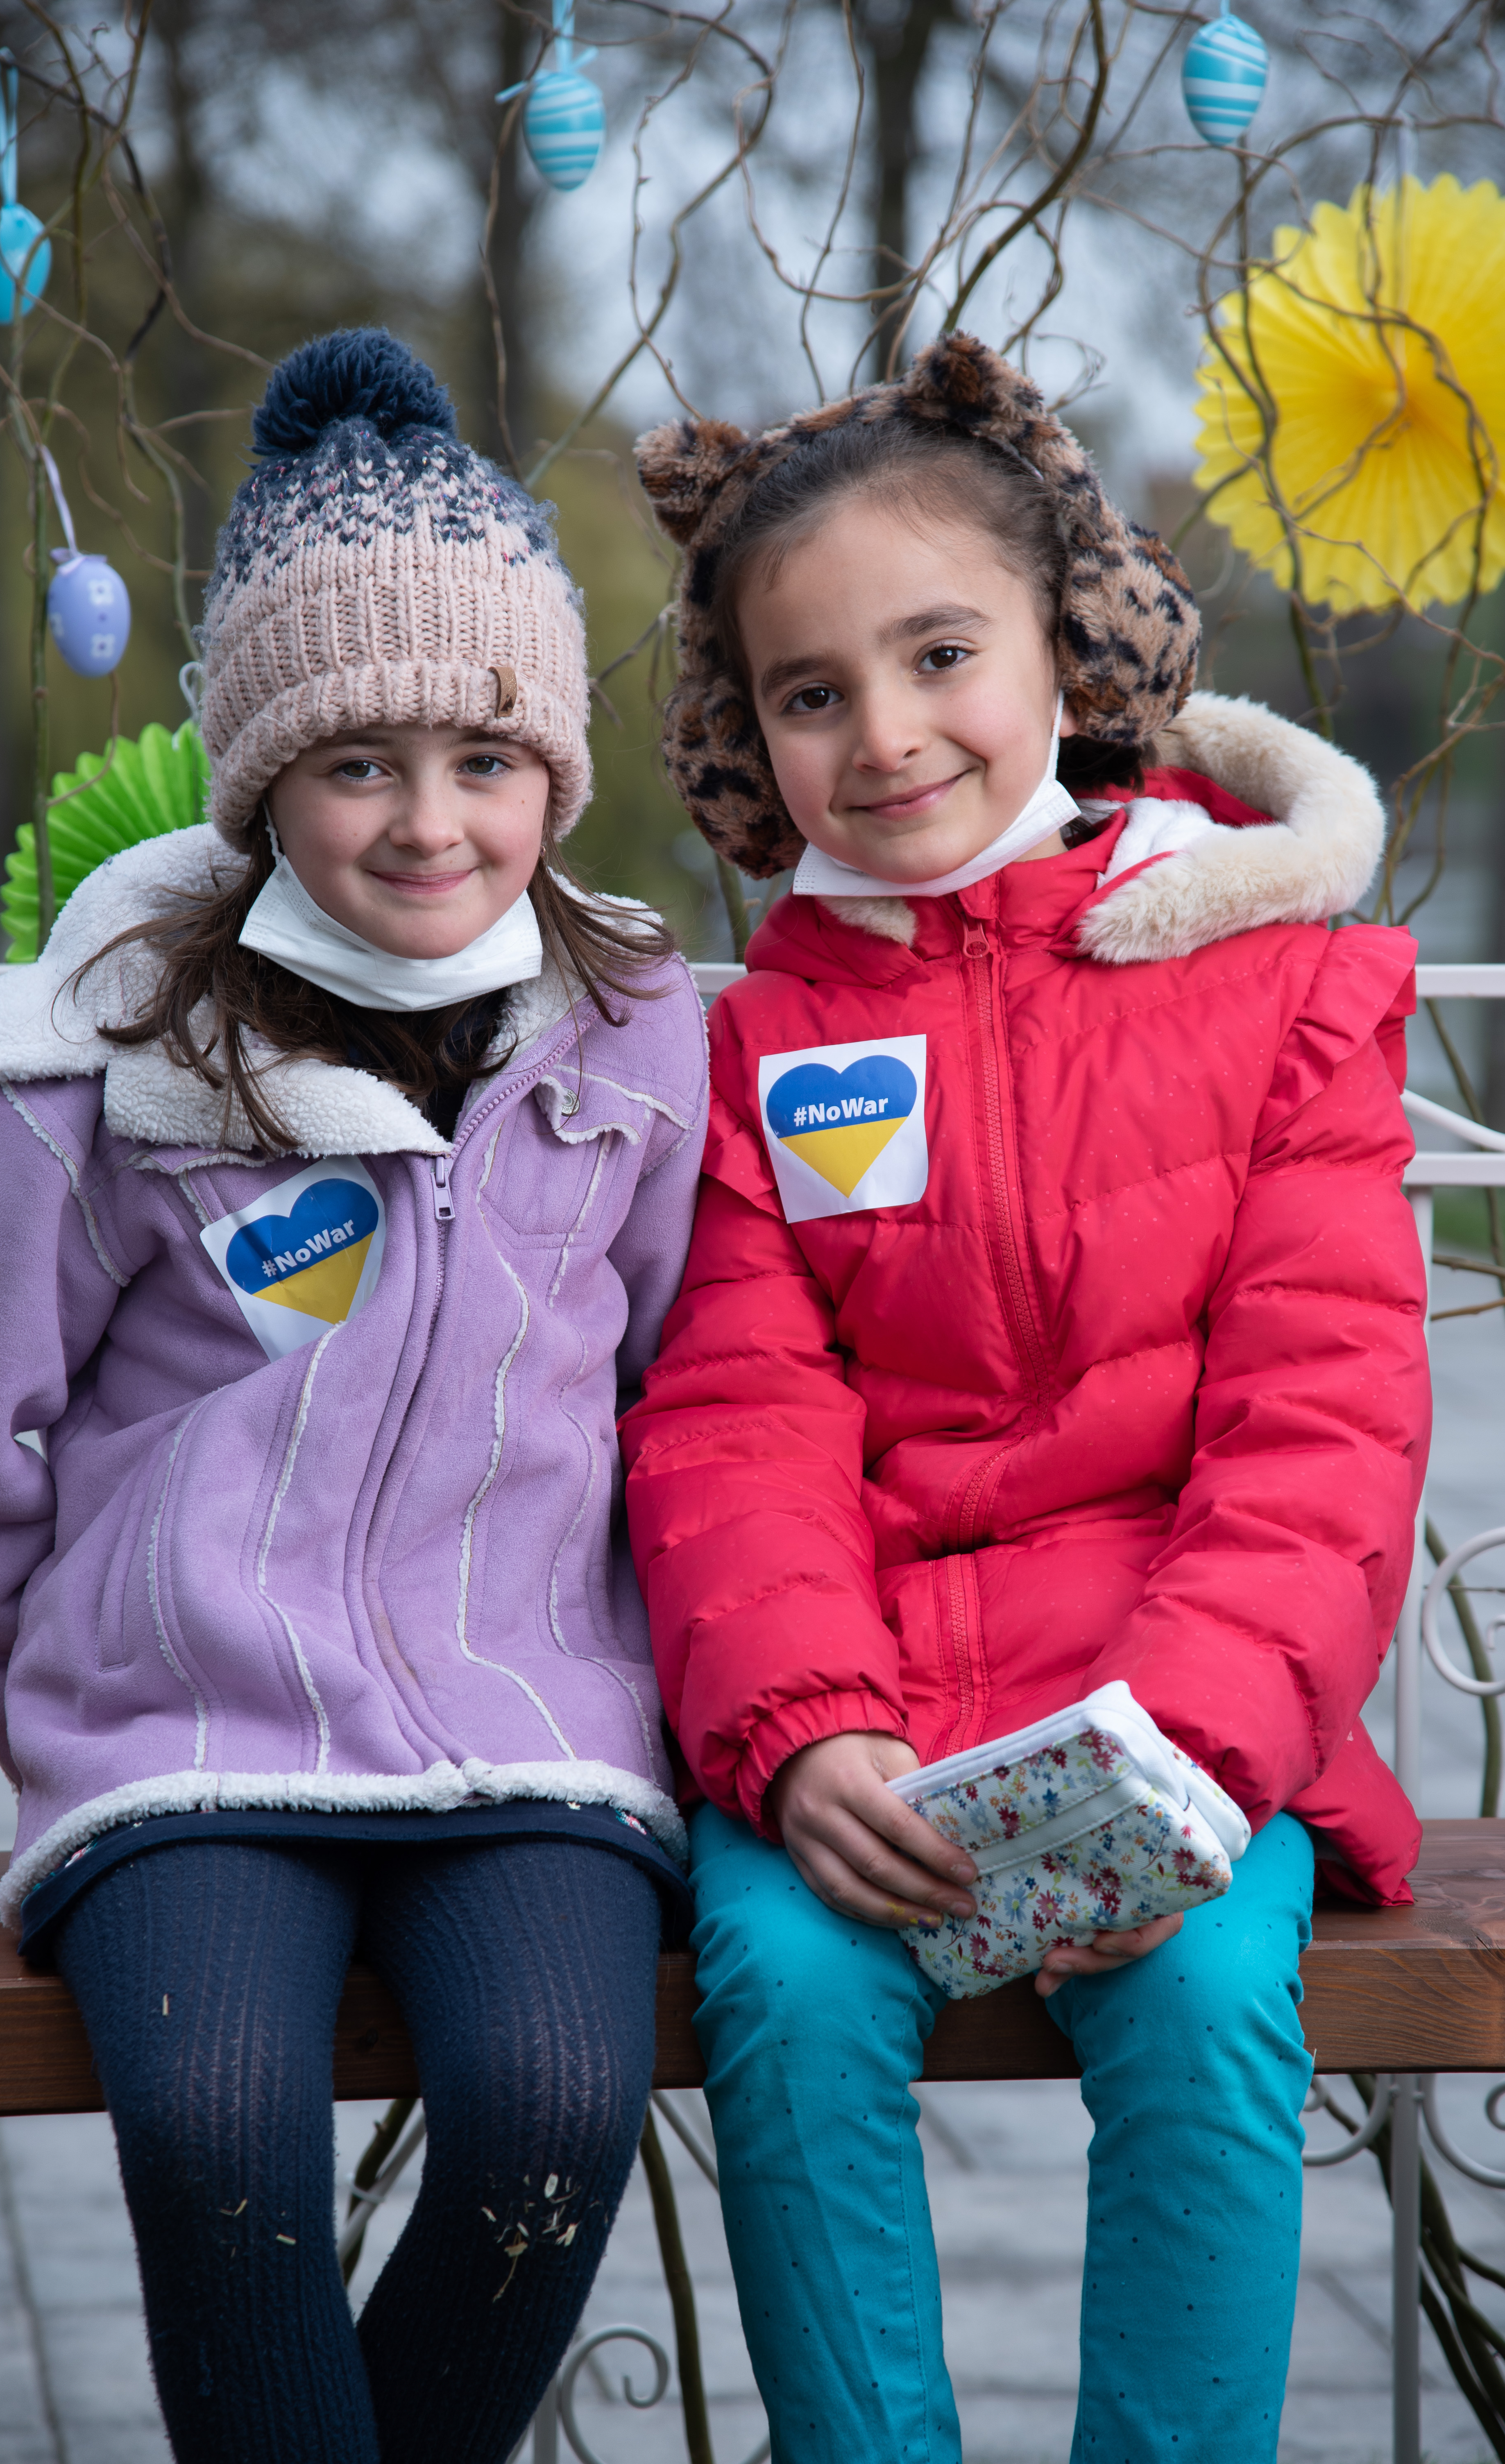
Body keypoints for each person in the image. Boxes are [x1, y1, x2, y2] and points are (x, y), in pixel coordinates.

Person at [0, 330, 707, 2464]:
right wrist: (84, 1675)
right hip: (187, 1749)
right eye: (358, 763)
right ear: (259, 780)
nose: (432, 822)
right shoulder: (94, 1060)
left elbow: (685, 1379)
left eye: (488, 759)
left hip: (531, 1735)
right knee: (219, 2122)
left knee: (551, 2110)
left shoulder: (633, 1037)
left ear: (556, 776)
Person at [619, 332, 1430, 2464]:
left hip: (1186, 1710)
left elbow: (1325, 1419)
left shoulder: (1276, 986)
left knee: (1208, 2000)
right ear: (750, 738)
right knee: (786, 1990)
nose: (886, 734)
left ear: (1069, 651)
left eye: (940, 655)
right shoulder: (765, 1048)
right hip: (873, 1715)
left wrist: (1195, 1757)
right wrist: (804, 1734)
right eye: (811, 694)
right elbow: (735, 1418)